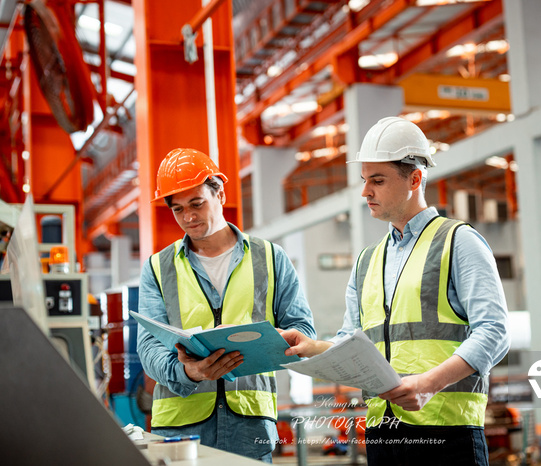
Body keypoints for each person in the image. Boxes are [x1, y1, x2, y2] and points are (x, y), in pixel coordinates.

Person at [280, 117, 510, 465]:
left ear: (414, 179)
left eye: (378, 180)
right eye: (364, 180)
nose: (365, 191)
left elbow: (495, 332)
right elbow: (355, 346)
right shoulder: (368, 260)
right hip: (383, 435)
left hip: (446, 433)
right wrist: (315, 348)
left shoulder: (458, 242)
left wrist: (428, 384)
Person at [136, 148, 316, 462]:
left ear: (220, 193)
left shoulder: (270, 258)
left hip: (249, 424)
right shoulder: (158, 267)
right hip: (180, 429)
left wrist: (270, 339)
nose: (189, 217)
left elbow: (303, 330)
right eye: (178, 209)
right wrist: (188, 372)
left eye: (196, 203)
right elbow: (149, 346)